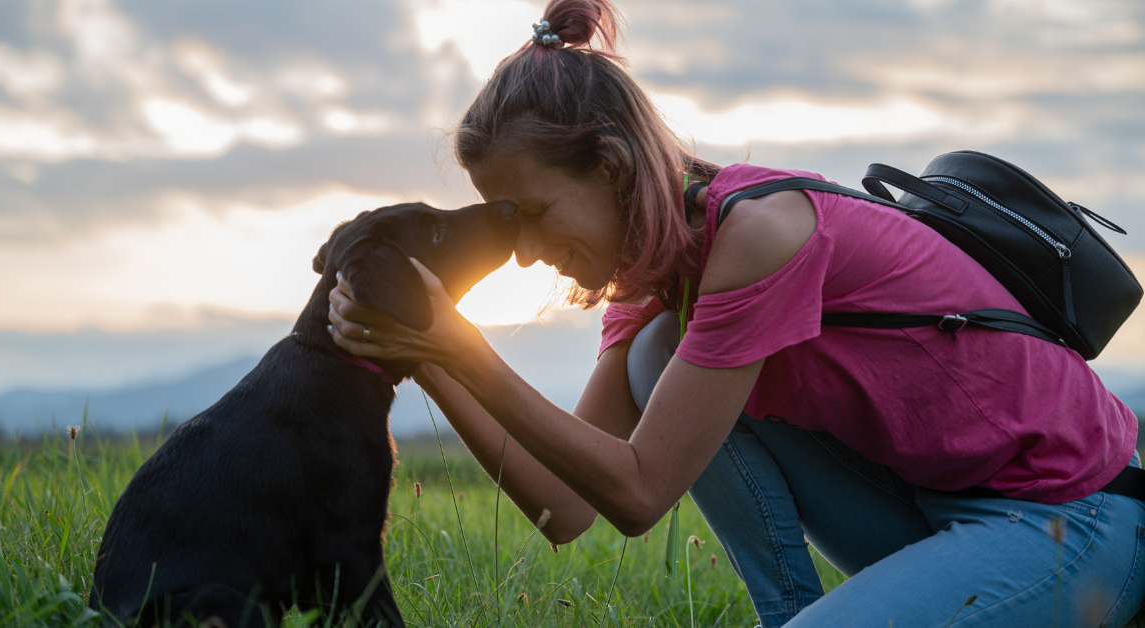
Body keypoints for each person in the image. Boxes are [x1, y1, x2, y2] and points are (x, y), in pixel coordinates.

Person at [326, 0, 1145, 625]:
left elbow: (642, 495)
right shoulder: (652, 280)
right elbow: (564, 508)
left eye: (533, 213)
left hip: (1069, 516)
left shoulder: (762, 232)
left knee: (659, 356)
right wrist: (425, 350)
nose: (529, 251)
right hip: (937, 507)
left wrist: (464, 351)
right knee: (656, 354)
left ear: (611, 168)